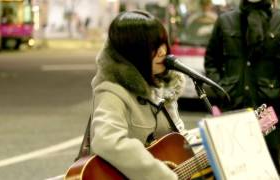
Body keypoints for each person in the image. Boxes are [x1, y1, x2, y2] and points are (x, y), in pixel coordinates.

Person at [76, 10, 198, 179]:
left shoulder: (163, 86)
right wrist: (162, 176)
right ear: (133, 52)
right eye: (153, 47)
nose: (163, 52)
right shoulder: (112, 91)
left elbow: (179, 138)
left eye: (163, 43)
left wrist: (210, 149)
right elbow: (107, 141)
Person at [204, 0, 280, 173]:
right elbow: (212, 61)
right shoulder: (225, 20)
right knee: (232, 166)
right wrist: (222, 88)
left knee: (267, 165)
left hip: (268, 108)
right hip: (233, 106)